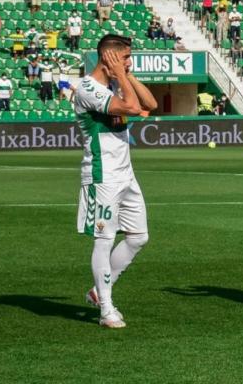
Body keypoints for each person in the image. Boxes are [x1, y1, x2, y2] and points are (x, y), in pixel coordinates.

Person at [75, 34, 158, 328]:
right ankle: (106, 309)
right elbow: (133, 109)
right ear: (108, 58)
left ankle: (98, 292)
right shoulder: (87, 88)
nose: (128, 62)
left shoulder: (115, 83)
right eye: (124, 58)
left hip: (126, 173)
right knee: (104, 238)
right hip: (102, 175)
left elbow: (150, 103)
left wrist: (127, 74)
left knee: (138, 236)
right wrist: (122, 75)